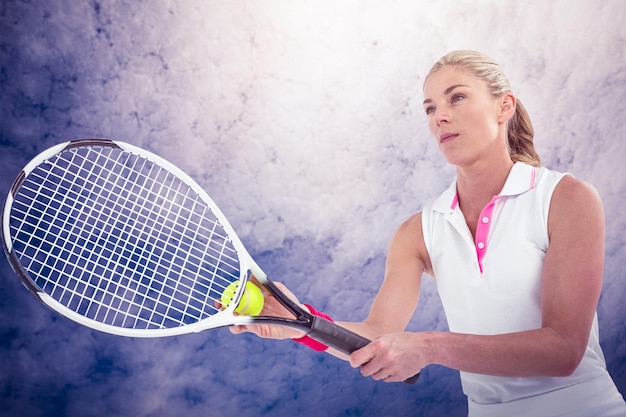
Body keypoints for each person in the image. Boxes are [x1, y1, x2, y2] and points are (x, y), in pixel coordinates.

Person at [230, 50, 626, 416]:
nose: (439, 116)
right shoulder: (416, 232)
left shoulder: (567, 198)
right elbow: (378, 335)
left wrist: (430, 346)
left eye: (456, 98)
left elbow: (562, 349)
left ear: (505, 106)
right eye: (430, 108)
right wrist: (297, 321)